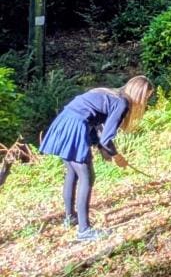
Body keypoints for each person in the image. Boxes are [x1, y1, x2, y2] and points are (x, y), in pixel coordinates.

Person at [39, 76, 153, 242]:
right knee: (86, 176)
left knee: (72, 173)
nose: (146, 101)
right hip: (74, 125)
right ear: (140, 93)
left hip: (64, 121)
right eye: (147, 97)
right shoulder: (122, 103)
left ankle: (70, 218)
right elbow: (106, 137)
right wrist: (117, 156)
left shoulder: (112, 95)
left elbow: (95, 124)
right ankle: (84, 231)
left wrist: (102, 149)